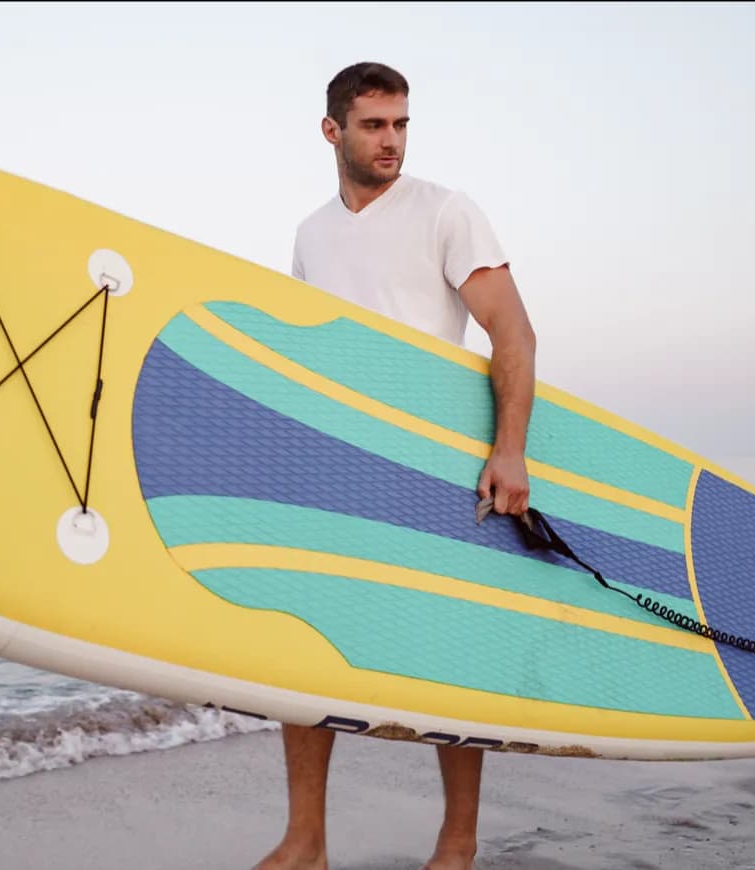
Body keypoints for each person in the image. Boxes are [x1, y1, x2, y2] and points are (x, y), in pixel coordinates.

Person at [256, 62, 538, 870]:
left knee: (446, 651)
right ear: (332, 131)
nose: (392, 141)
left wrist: (507, 448)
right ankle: (304, 842)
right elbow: (314, 353)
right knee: (304, 647)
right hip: (335, 464)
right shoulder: (312, 233)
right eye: (375, 125)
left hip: (434, 461)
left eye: (401, 124)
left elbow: (511, 335)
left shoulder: (446, 211)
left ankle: (457, 843)